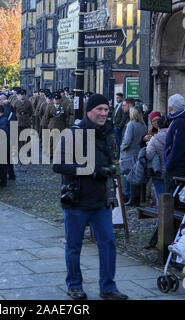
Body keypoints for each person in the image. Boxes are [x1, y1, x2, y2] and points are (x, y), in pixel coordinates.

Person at [53, 93, 128, 301]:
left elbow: (110, 161)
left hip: (100, 200)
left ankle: (108, 287)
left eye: (106, 109)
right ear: (89, 111)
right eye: (100, 110)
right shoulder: (72, 134)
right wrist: (90, 170)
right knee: (74, 246)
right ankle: (74, 285)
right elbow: (58, 165)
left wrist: (109, 170)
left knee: (108, 244)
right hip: (77, 201)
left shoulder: (107, 133)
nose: (104, 113)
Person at [163, 94, 185, 194]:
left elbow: (178, 147)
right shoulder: (179, 120)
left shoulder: (180, 122)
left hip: (176, 165)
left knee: (171, 196)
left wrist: (169, 164)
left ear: (172, 106)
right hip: (179, 163)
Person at [120, 107, 147, 206]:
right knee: (137, 176)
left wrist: (122, 147)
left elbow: (127, 141)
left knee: (131, 177)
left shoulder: (131, 125)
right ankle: (137, 199)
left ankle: (132, 199)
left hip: (130, 153)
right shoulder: (143, 126)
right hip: (138, 152)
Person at [0, 104, 10, 187]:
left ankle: (2, 181)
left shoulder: (3, 120)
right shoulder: (1, 119)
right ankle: (2, 180)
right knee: (1, 164)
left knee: (1, 164)